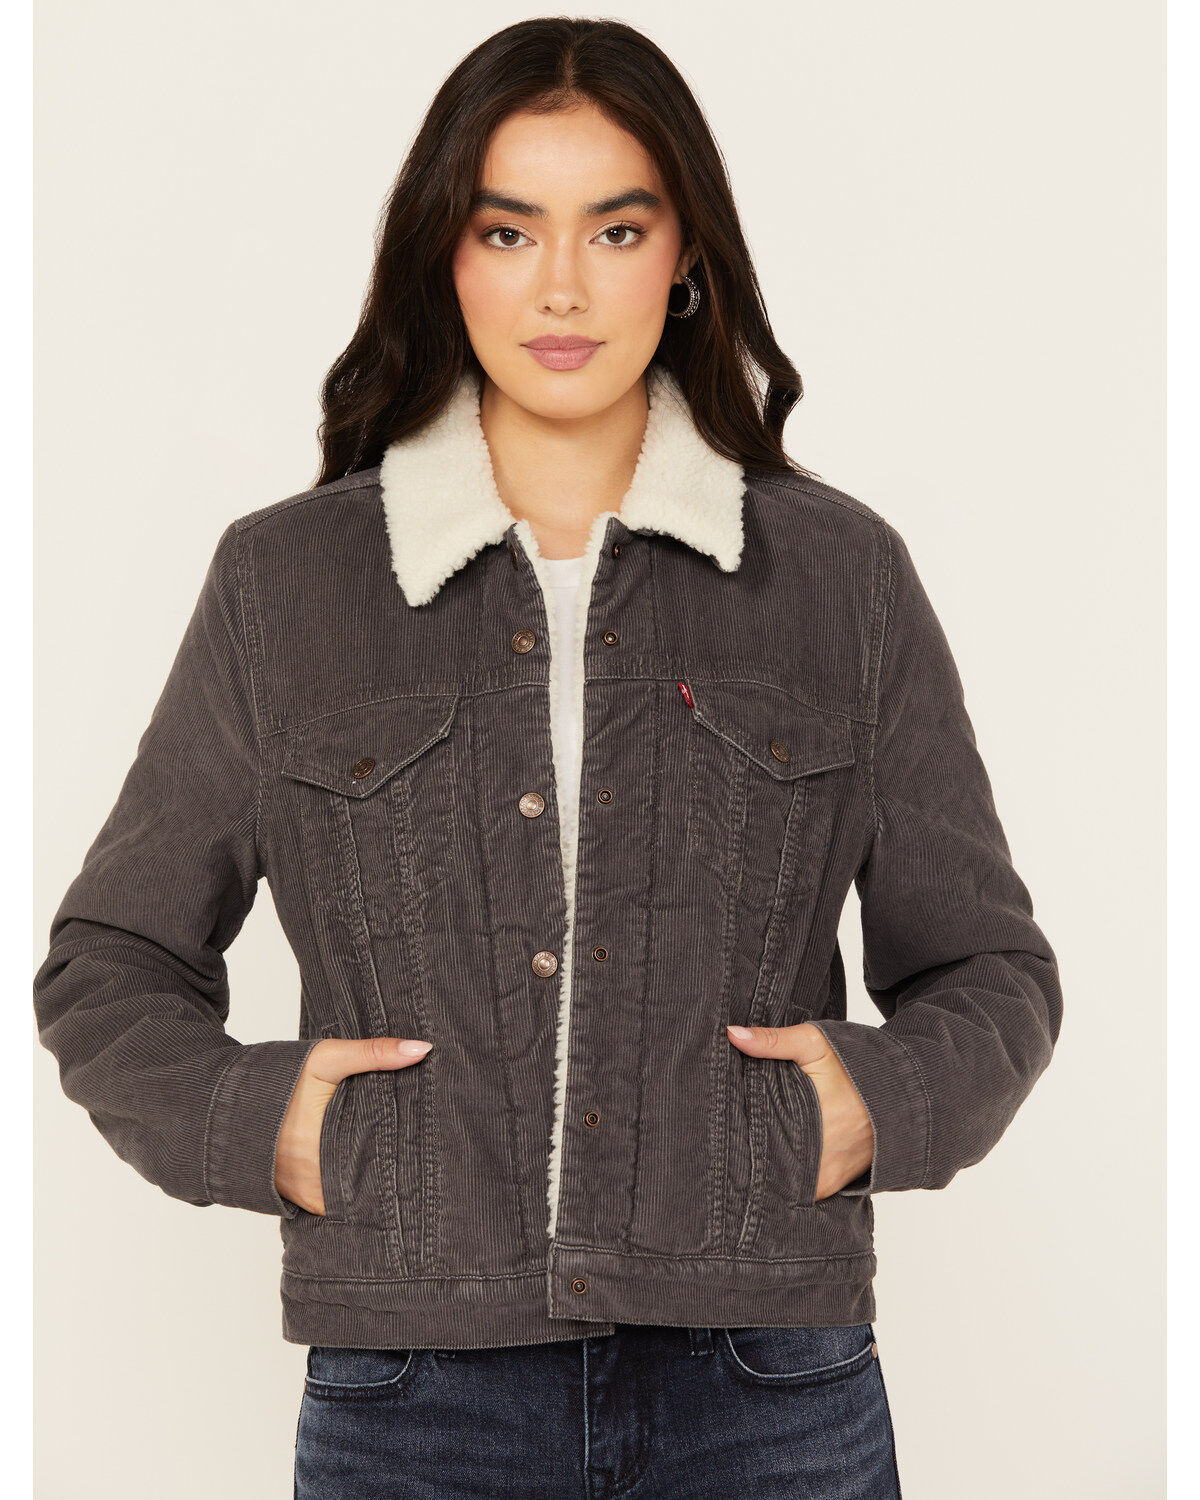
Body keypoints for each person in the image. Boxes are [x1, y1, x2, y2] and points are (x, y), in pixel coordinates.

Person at [33, 17, 1062, 1498]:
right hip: (415, 1400)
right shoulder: (291, 586)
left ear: (684, 255)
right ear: (444, 258)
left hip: (768, 1389)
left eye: (616, 229)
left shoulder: (838, 578)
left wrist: (863, 1107)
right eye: (508, 231)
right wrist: (274, 1126)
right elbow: (110, 965)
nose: (562, 286)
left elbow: (990, 970)